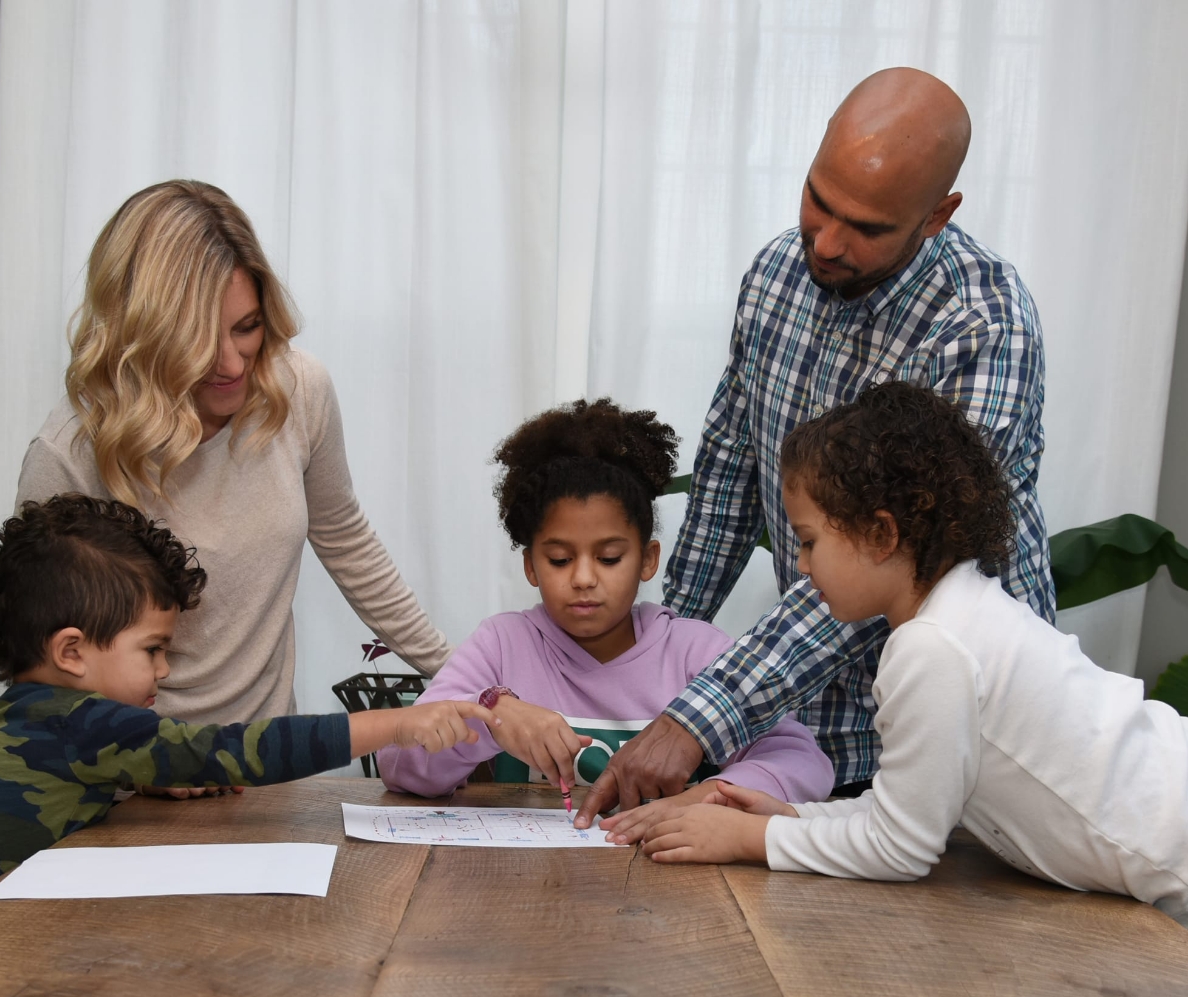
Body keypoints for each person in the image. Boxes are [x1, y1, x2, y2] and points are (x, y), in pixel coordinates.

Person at [575, 67, 1054, 828]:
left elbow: (887, 556)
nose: (826, 243)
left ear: (937, 216)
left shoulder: (983, 329)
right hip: (814, 726)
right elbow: (730, 467)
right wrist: (660, 655)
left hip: (964, 738)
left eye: (866, 228)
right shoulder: (774, 275)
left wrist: (698, 717)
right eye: (818, 202)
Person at [602, 382, 1188, 928]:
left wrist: (746, 840)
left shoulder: (934, 647)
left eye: (809, 542)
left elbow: (901, 849)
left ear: (881, 536)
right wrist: (789, 818)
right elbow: (903, 809)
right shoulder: (953, 616)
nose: (801, 567)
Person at [0, 495, 498, 918]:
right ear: (71, 651)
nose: (165, 670)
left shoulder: (17, 718)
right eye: (152, 649)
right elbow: (231, 751)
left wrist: (146, 775)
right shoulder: (87, 722)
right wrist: (396, 724)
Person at [16, 179, 452, 728]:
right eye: (196, 341)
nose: (232, 364)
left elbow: (347, 541)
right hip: (129, 779)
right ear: (142, 337)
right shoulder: (69, 452)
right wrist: (146, 766)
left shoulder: (300, 391)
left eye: (246, 328)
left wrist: (468, 681)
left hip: (265, 762)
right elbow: (39, 664)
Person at [377, 400, 834, 806]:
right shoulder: (501, 646)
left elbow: (801, 760)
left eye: (609, 557)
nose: (583, 578)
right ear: (531, 566)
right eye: (558, 559)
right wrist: (490, 714)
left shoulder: (696, 651)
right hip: (519, 890)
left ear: (648, 559)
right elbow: (398, 763)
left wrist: (711, 798)